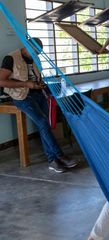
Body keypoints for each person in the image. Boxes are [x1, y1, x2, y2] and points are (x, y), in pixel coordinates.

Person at [0, 38, 77, 173]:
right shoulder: (10, 58)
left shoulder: (35, 58)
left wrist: (41, 85)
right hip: (21, 96)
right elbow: (1, 81)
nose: (37, 55)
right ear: (27, 46)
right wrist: (25, 84)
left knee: (45, 125)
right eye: (35, 52)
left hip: (38, 93)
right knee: (42, 122)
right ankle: (60, 156)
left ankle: (52, 161)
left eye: (39, 53)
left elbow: (37, 77)